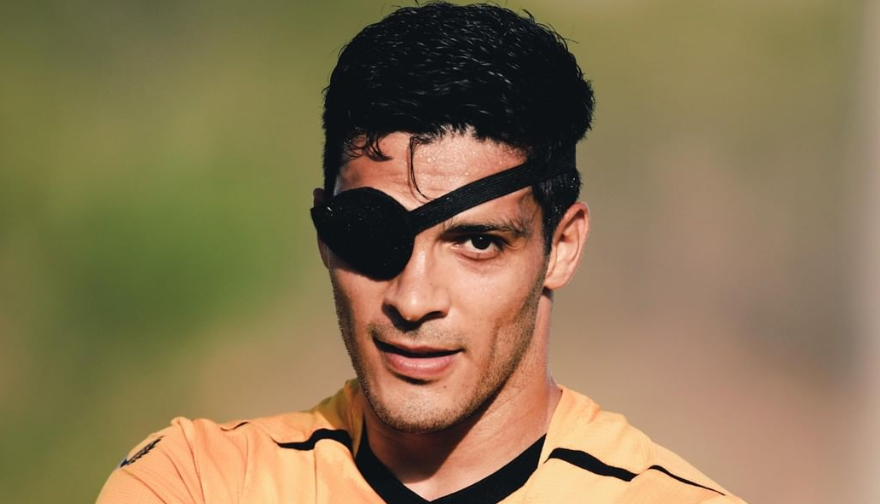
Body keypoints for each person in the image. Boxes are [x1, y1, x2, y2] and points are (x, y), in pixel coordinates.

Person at [97, 2, 745, 503]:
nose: (413, 300)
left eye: (478, 243)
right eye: (371, 235)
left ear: (562, 247)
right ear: (324, 233)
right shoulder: (199, 482)